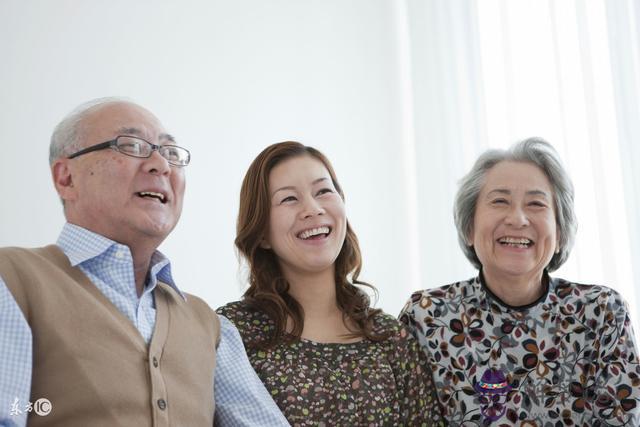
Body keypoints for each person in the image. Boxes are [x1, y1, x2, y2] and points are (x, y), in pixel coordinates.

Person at [0, 97, 289, 427]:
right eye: (132, 145)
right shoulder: (11, 280)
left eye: (169, 153)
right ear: (66, 178)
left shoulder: (211, 327)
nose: (161, 165)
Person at [399, 137, 640, 426]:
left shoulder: (601, 312)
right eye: (500, 201)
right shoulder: (427, 316)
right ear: (468, 228)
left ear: (560, 232)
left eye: (536, 203)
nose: (517, 218)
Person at [217, 141, 443, 426]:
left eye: (323, 191)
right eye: (289, 199)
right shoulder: (234, 332)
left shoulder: (390, 338)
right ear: (261, 233)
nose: (312, 209)